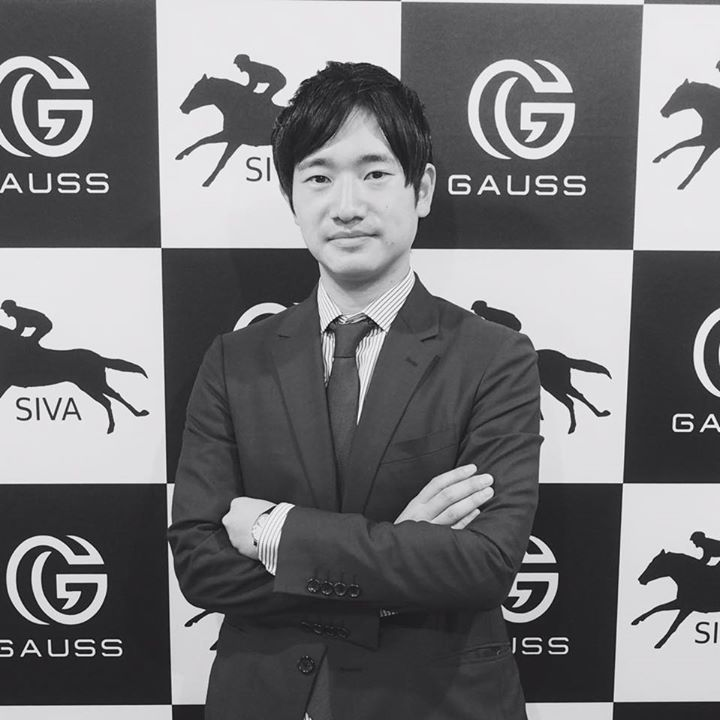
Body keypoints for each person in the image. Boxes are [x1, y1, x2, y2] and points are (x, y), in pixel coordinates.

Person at [169, 61, 542, 720]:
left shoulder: (495, 358)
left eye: (374, 174)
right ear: (291, 198)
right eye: (318, 177)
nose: (346, 206)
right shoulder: (235, 360)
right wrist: (403, 552)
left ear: (421, 189)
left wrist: (277, 531)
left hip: (436, 702)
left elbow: (484, 563)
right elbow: (201, 563)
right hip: (266, 697)